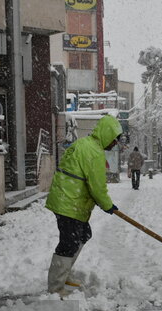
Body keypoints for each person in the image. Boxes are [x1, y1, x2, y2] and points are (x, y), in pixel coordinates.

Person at [45, 115, 121, 296]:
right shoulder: (93, 152)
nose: (115, 144)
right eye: (114, 139)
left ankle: (64, 275)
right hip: (69, 202)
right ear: (107, 135)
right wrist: (108, 205)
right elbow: (97, 187)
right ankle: (55, 287)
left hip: (68, 199)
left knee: (83, 235)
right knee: (68, 243)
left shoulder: (85, 144)